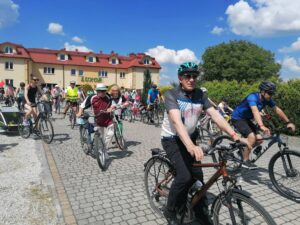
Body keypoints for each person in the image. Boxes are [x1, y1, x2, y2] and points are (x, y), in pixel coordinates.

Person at [161, 62, 248, 225]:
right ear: (180, 78)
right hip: (172, 139)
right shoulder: (171, 95)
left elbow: (216, 116)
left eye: (194, 76)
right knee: (185, 177)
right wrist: (191, 146)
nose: (192, 79)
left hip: (191, 138)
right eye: (187, 76)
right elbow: (176, 122)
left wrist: (234, 135)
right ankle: (170, 210)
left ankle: (200, 213)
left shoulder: (200, 94)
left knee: (199, 179)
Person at [231, 81, 296, 169]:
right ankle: (245, 160)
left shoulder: (267, 100)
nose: (271, 95)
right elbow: (255, 111)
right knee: (252, 137)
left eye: (272, 93)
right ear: (262, 91)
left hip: (246, 119)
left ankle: (242, 151)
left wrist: (288, 122)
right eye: (269, 93)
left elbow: (277, 110)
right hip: (238, 118)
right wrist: (261, 125)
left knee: (260, 140)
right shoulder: (252, 97)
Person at [76, 83, 114, 157]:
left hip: (107, 118)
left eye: (104, 91)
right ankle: (102, 151)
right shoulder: (92, 97)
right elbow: (82, 106)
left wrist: (110, 109)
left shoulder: (108, 97)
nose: (102, 93)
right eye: (100, 91)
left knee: (111, 133)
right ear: (97, 91)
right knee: (101, 136)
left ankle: (104, 149)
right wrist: (80, 113)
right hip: (97, 119)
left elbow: (111, 105)